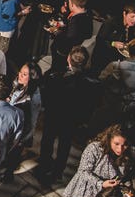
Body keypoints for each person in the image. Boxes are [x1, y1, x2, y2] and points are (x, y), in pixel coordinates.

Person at [38, 46, 102, 184]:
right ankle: (58, 171)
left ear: (68, 58)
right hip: (72, 120)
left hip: (53, 115)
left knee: (47, 141)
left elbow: (45, 95)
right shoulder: (91, 83)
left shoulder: (55, 76)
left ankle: (43, 167)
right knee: (65, 145)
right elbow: (91, 105)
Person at [63, 125, 134, 197]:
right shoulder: (94, 148)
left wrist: (129, 189)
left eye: (125, 145)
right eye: (116, 144)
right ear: (109, 139)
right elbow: (83, 171)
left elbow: (126, 176)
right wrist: (101, 184)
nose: (120, 149)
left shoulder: (127, 155)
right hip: (85, 193)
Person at [3, 61, 43, 181]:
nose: (20, 75)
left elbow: (30, 121)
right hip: (13, 129)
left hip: (19, 134)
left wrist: (22, 139)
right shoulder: (20, 85)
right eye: (20, 72)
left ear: (33, 78)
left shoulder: (32, 99)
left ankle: (8, 175)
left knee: (13, 155)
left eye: (24, 74)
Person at [91, 4, 135, 74]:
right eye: (132, 16)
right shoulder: (110, 23)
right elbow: (100, 39)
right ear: (124, 14)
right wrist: (113, 43)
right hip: (104, 54)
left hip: (120, 58)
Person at [50, 0, 94, 72]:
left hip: (63, 50)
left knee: (58, 67)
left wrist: (57, 31)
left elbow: (69, 38)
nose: (68, 4)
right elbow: (89, 34)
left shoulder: (76, 20)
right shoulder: (87, 14)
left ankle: (55, 73)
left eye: (69, 2)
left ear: (73, 5)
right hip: (74, 47)